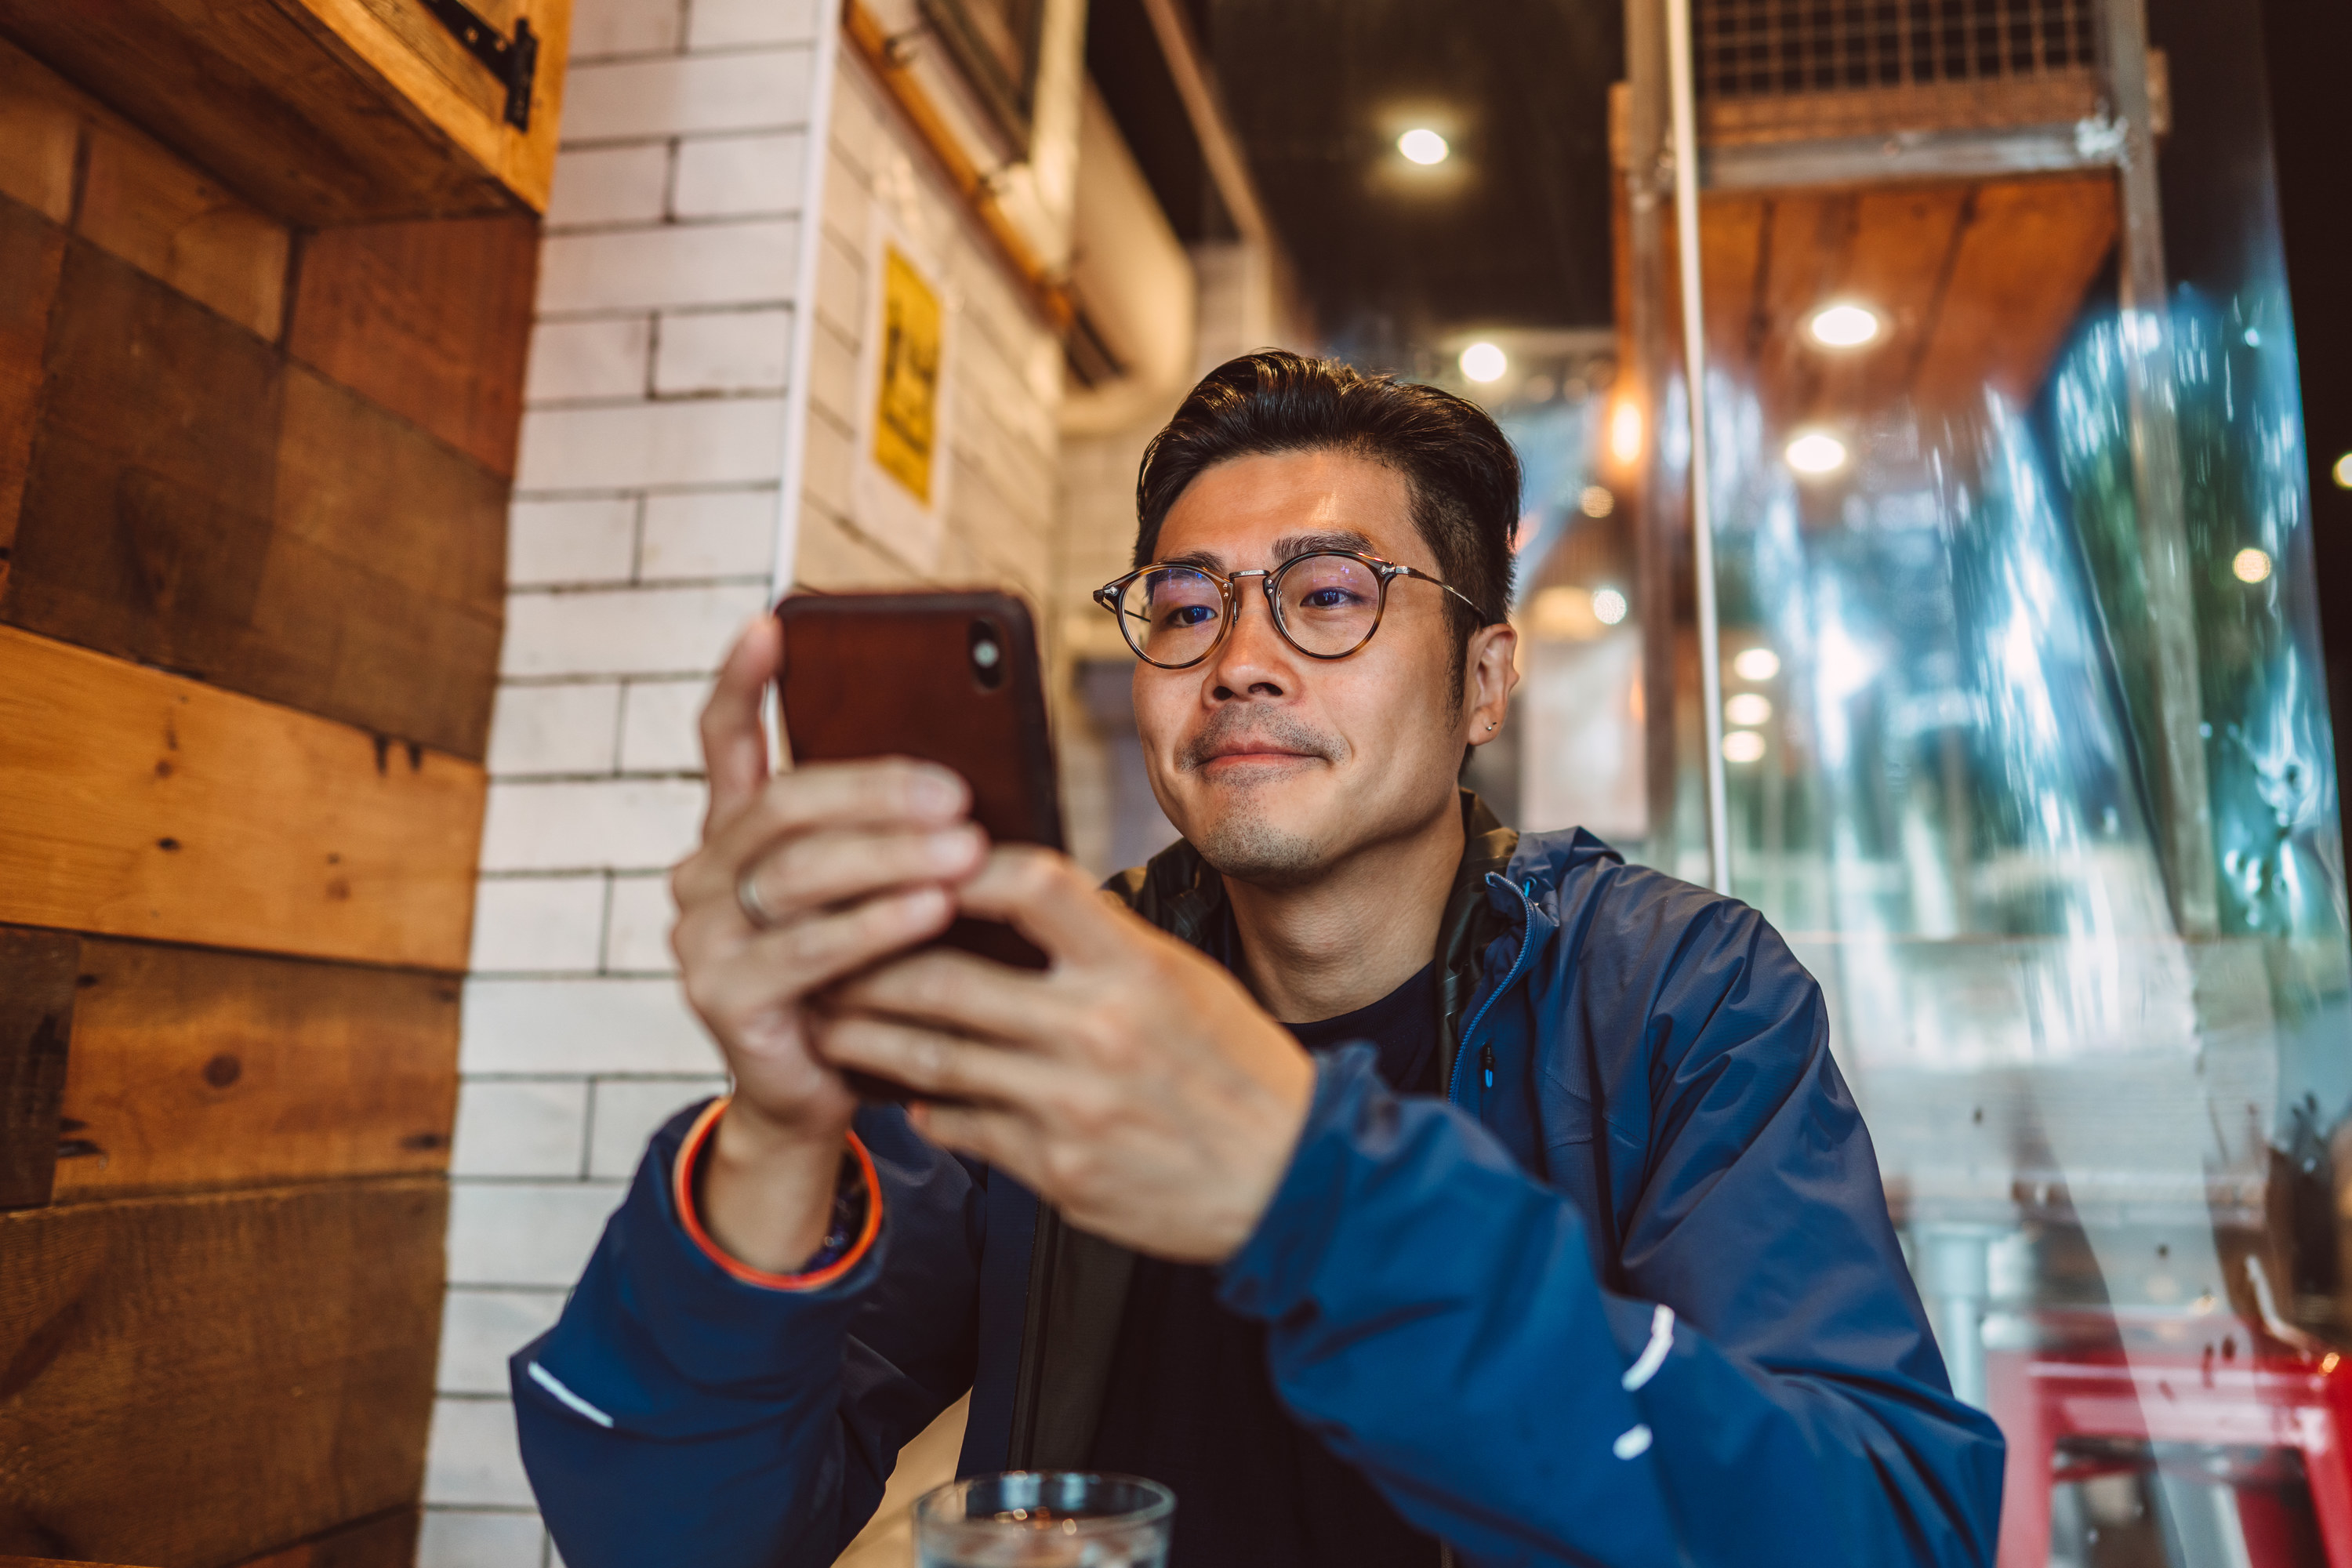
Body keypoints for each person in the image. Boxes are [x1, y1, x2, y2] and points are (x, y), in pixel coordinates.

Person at [512, 351, 2006, 1567]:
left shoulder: (1678, 995)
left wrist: (1312, 1188)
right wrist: (777, 1130)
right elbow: (673, 1536)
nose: (1238, 657)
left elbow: (1883, 1525)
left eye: (1331, 595)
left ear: (1483, 680)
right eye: (1185, 604)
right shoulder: (1051, 993)